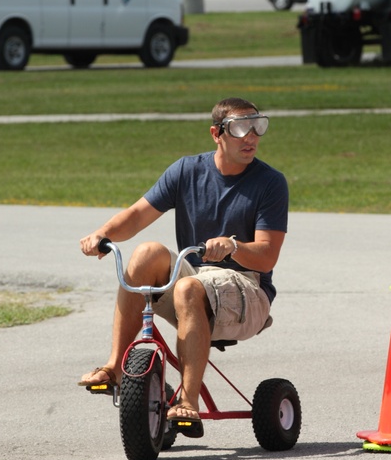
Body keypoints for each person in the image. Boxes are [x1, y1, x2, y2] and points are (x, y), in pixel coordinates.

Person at [78, 97, 288, 438]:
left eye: (258, 126)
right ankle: (115, 366)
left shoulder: (270, 183)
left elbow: (266, 257)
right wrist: (102, 234)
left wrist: (234, 246)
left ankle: (189, 400)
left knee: (189, 287)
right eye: (240, 128)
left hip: (247, 288)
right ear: (216, 133)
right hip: (194, 284)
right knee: (146, 253)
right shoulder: (187, 171)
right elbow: (136, 216)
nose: (251, 136)